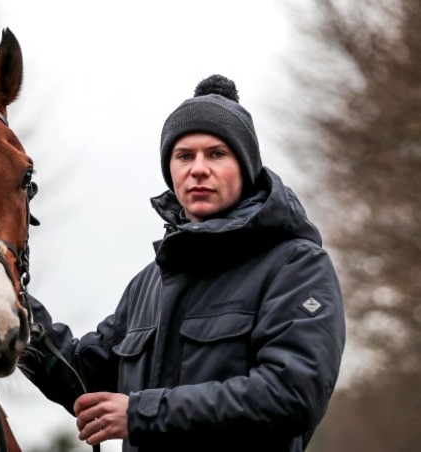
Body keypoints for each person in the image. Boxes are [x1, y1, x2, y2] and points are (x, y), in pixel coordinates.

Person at [21, 74, 345, 452]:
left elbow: (291, 394)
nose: (198, 168)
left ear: (246, 166)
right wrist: (9, 304)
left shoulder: (296, 266)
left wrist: (142, 415)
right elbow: (83, 376)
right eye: (185, 156)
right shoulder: (149, 283)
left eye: (217, 154)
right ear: (170, 170)